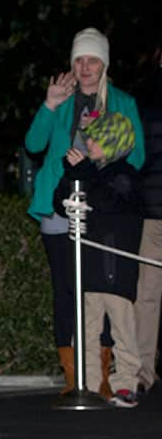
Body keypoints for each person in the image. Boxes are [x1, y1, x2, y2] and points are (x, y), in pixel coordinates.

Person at [25, 27, 145, 397]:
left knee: (102, 290)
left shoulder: (123, 101)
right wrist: (49, 105)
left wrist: (104, 141)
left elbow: (137, 157)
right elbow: (33, 144)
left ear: (104, 63)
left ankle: (104, 376)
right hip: (59, 206)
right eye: (79, 59)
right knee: (65, 290)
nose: (85, 66)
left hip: (103, 213)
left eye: (93, 59)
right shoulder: (61, 99)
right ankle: (72, 374)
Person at [52, 112, 142, 407]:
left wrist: (85, 171)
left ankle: (127, 383)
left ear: (113, 142)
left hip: (116, 268)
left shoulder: (125, 175)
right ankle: (88, 384)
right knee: (87, 329)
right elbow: (60, 203)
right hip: (88, 267)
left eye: (96, 137)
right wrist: (70, 174)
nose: (88, 141)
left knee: (122, 328)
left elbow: (108, 200)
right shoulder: (90, 172)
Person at [134, 43, 162, 395]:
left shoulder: (140, 93)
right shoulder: (143, 94)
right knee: (148, 290)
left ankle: (143, 368)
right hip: (152, 205)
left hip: (150, 204)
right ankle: (142, 367)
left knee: (149, 291)